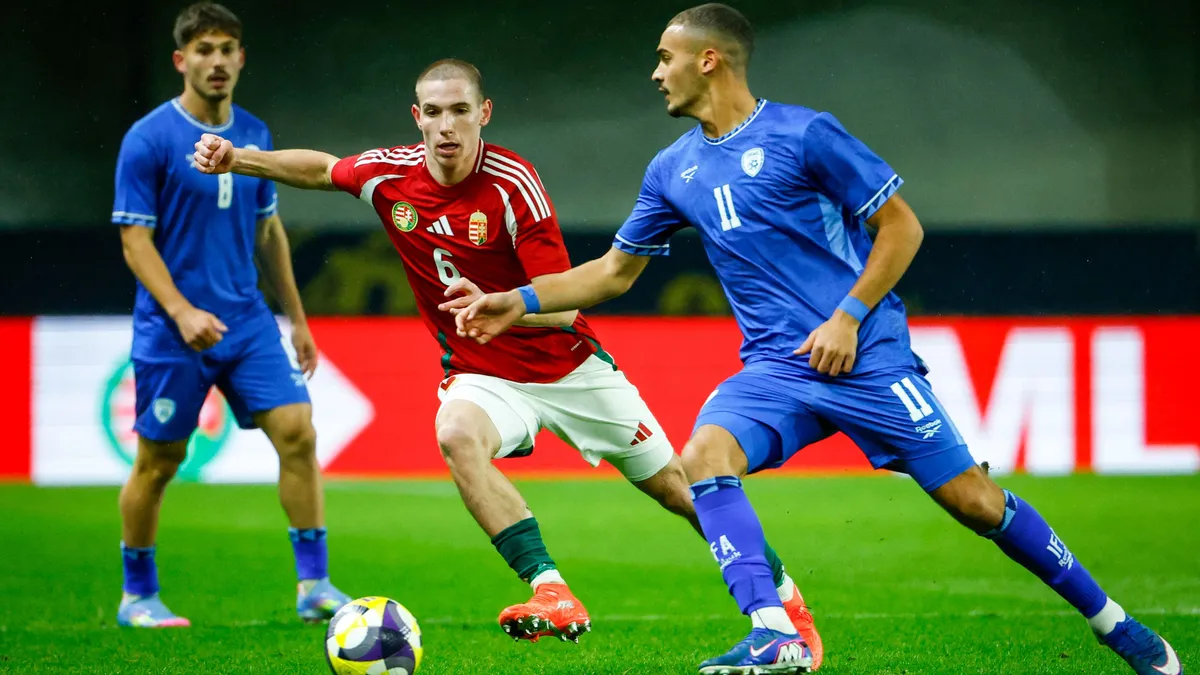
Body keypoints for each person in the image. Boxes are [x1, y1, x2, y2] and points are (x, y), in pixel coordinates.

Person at [451, 5, 1183, 675]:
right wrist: (518, 300)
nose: (655, 72)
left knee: (976, 502)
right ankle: (775, 632)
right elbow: (614, 272)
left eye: (665, 57)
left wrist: (848, 316)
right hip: (777, 370)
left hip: (868, 358)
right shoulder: (671, 170)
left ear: (709, 60)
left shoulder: (805, 135)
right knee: (703, 457)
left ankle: (1115, 624)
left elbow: (902, 226)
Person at [190, 58, 822, 659]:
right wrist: (238, 159)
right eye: (434, 112)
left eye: (460, 110)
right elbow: (324, 169)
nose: (446, 126)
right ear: (417, 116)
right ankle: (551, 590)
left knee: (683, 493)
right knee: (456, 433)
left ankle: (788, 604)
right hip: (482, 372)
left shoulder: (513, 185)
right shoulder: (390, 175)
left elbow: (564, 305)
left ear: (483, 113)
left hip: (568, 369)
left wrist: (503, 306)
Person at [111, 2, 350, 628]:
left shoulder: (255, 134)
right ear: (181, 60)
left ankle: (315, 586)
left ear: (241, 59)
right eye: (204, 50)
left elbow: (268, 230)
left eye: (226, 50)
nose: (216, 61)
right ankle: (138, 596)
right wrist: (182, 310)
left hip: (246, 320)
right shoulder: (149, 139)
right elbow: (135, 241)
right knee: (159, 461)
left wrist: (297, 318)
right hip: (173, 329)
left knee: (298, 431)